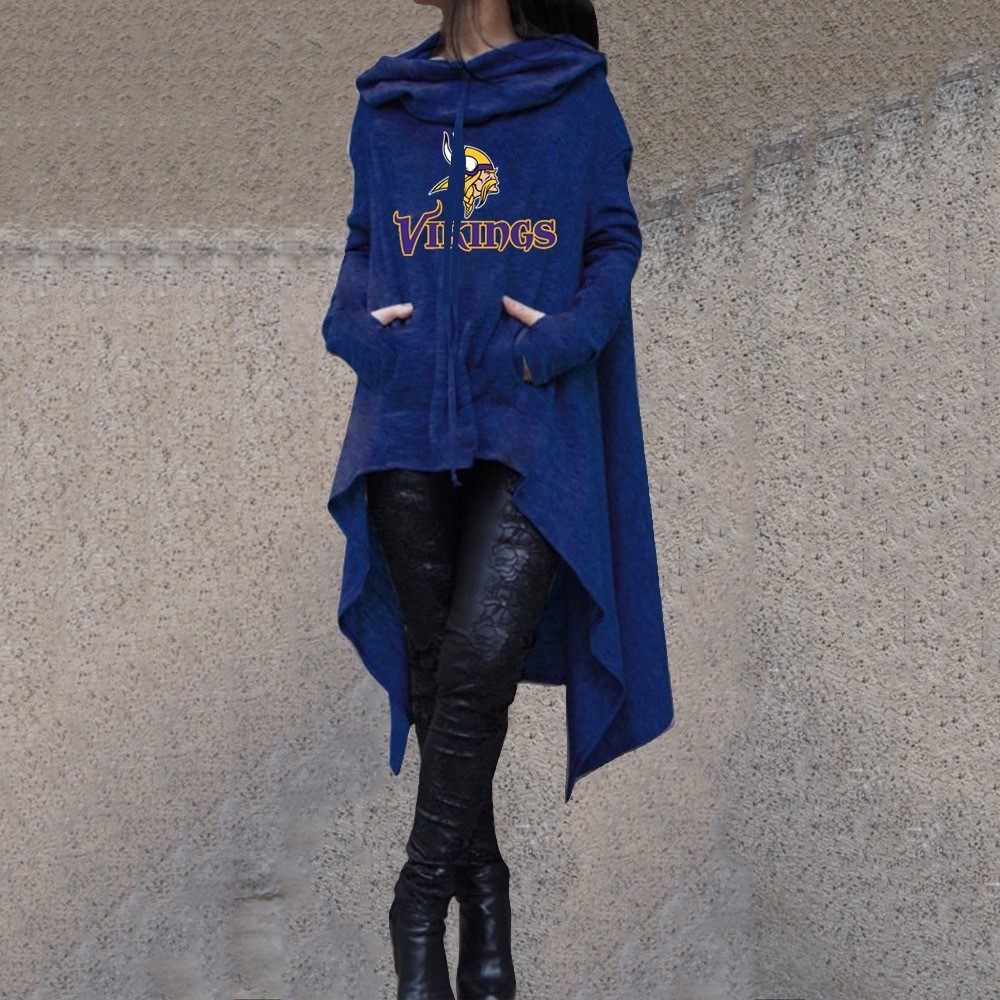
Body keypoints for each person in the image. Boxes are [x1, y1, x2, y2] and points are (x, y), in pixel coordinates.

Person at [321, 1, 675, 996]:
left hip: (528, 424)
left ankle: (415, 902)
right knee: (441, 679)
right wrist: (356, 329)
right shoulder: (389, 103)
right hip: (404, 429)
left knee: (477, 666)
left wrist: (561, 337)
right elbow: (361, 247)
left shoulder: (574, 95)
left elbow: (613, 241)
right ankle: (486, 900)